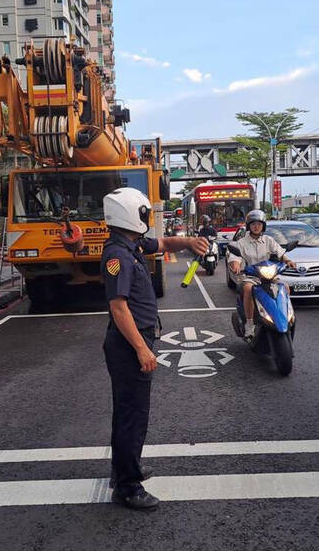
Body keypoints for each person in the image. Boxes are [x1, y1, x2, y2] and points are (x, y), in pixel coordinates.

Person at [101, 187, 208, 511]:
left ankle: (125, 469)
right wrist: (142, 350)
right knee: (133, 416)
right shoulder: (118, 255)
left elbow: (162, 244)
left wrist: (188, 242)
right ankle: (128, 487)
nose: (147, 219)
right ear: (130, 215)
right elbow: (119, 308)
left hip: (135, 340)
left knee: (129, 413)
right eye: (144, 213)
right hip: (128, 344)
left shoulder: (130, 243)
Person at [228, 209, 297, 341]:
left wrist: (288, 261)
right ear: (249, 226)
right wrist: (235, 265)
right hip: (250, 277)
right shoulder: (242, 242)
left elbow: (280, 253)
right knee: (248, 289)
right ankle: (249, 325)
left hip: (269, 276)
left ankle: (287, 317)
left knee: (285, 287)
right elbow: (234, 257)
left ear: (263, 226)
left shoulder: (268, 240)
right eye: (253, 224)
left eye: (259, 224)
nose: (256, 226)